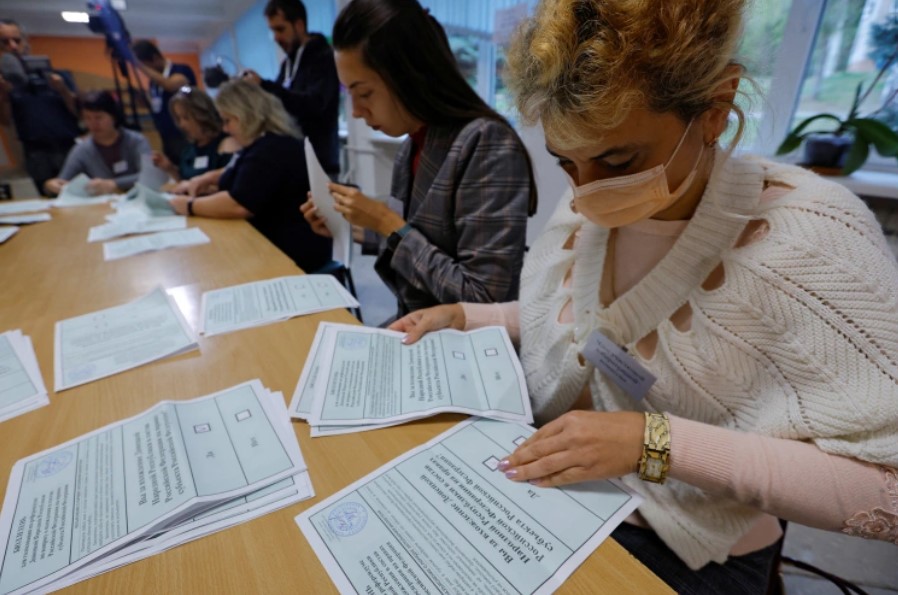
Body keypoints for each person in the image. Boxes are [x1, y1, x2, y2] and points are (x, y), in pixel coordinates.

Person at [390, 0, 898, 592]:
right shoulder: (592, 206)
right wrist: (469, 315)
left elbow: (886, 491)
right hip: (573, 491)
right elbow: (585, 321)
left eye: (618, 160)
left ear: (715, 109)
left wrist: (654, 443)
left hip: (695, 540)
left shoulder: (810, 240)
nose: (586, 194)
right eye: (566, 163)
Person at [301, 0, 536, 320]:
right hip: (417, 324)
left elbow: (483, 299)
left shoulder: (487, 144)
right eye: (349, 94)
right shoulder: (411, 146)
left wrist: (384, 221)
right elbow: (413, 238)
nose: (355, 111)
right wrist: (344, 225)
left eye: (364, 93)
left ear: (408, 75)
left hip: (460, 340)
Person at [169, 80, 332, 273]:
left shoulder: (269, 150)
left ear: (245, 116)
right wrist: (206, 179)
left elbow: (239, 204)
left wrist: (189, 205)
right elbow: (240, 174)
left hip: (291, 252)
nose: (225, 129)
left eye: (228, 121)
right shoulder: (265, 144)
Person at [241, 0, 340, 176]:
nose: (276, 37)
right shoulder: (287, 64)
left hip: (319, 165)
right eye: (272, 31)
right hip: (291, 163)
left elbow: (313, 105)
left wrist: (265, 85)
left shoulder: (323, 58)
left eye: (280, 29)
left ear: (299, 25)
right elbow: (277, 104)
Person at [0, 18, 81, 197]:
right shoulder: (6, 84)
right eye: (4, 42)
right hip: (35, 152)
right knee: (48, 200)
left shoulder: (58, 75)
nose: (12, 46)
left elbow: (79, 113)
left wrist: (63, 90)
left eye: (16, 40)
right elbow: (5, 122)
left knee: (79, 195)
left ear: (25, 41)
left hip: (67, 146)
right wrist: (4, 95)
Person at [44, 90, 150, 197]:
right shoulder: (82, 149)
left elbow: (149, 176)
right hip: (102, 204)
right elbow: (62, 181)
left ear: (113, 116)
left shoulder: (136, 141)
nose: (93, 124)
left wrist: (115, 183)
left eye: (99, 117)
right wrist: (50, 185)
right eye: (87, 118)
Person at [152, 86, 239, 193]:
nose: (182, 124)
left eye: (186, 118)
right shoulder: (188, 150)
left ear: (201, 115)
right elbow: (184, 182)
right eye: (178, 118)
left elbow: (234, 188)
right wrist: (169, 168)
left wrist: (197, 188)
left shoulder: (226, 144)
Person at [132, 39, 197, 165]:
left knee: (189, 167)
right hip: (165, 136)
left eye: (146, 66)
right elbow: (158, 105)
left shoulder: (181, 70)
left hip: (184, 134)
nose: (145, 72)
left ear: (155, 58)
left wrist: (138, 65)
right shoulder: (153, 83)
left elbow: (170, 85)